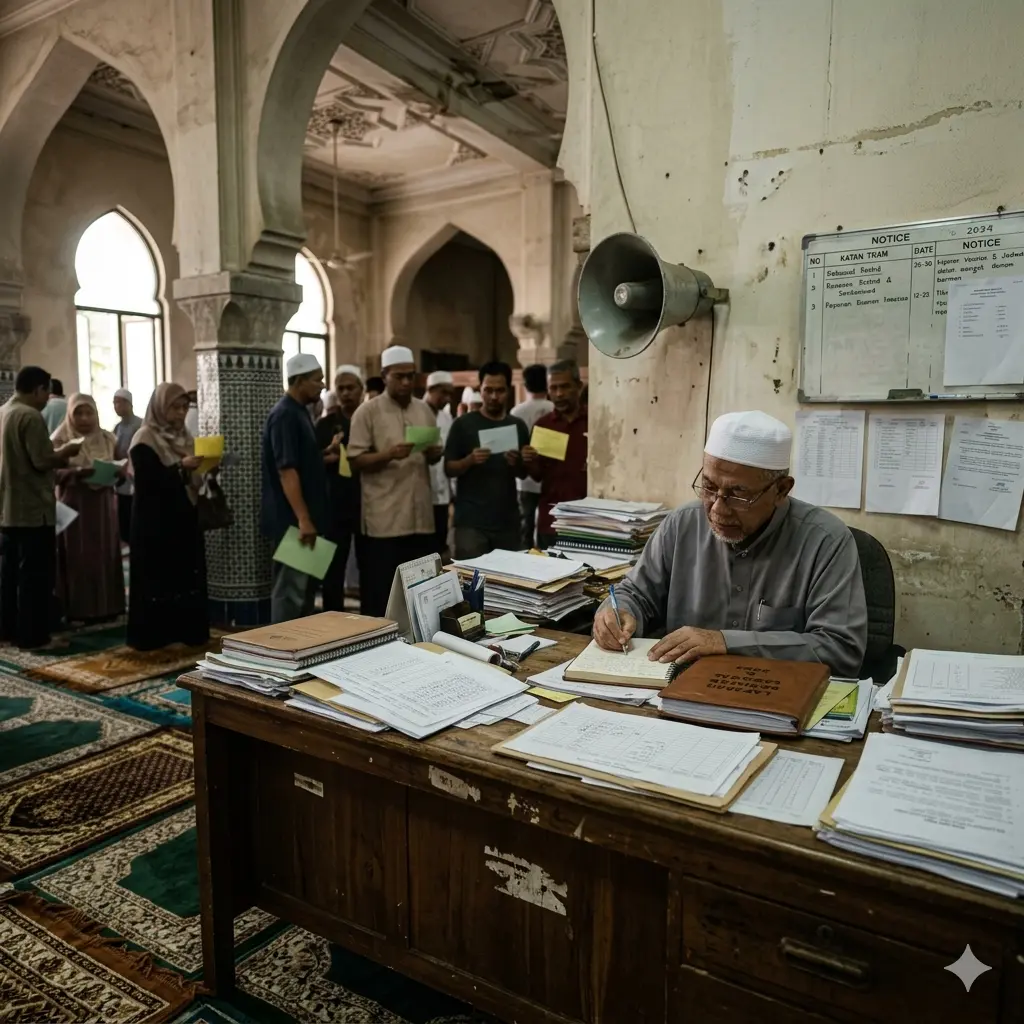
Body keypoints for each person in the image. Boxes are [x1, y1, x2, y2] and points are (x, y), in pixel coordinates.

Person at [592, 411, 868, 678]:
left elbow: (841, 649)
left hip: (772, 695)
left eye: (738, 494)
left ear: (781, 490)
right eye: (709, 487)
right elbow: (636, 594)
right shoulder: (682, 524)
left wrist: (726, 642)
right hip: (679, 688)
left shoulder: (825, 541)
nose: (717, 509)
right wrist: (618, 612)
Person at [348, 345, 443, 616]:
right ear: (384, 376)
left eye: (410, 376)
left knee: (419, 596)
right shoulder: (367, 412)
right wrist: (388, 454)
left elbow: (433, 455)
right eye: (399, 376)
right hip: (384, 521)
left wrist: (435, 453)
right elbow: (355, 461)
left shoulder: (424, 410)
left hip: (420, 518)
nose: (405, 382)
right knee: (382, 595)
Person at [0, 366, 83, 650]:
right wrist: (66, 453)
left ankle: (8, 631)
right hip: (32, 509)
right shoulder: (29, 415)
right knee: (34, 577)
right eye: (46, 391)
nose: (48, 398)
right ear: (38, 389)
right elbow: (42, 460)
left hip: (9, 508)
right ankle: (34, 637)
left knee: (10, 575)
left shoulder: (4, 411)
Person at [127, 383, 209, 650]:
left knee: (184, 573)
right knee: (159, 576)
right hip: (155, 521)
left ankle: (186, 632)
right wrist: (180, 467)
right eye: (175, 407)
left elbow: (192, 479)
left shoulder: (185, 437)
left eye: (184, 407)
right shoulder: (145, 439)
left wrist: (204, 468)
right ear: (160, 407)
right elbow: (147, 482)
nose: (181, 413)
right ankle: (156, 636)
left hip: (183, 516)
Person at [261, 353, 332, 623]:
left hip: (305, 520)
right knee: (290, 595)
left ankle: (302, 645)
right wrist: (303, 519)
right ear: (299, 381)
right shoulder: (284, 415)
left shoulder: (299, 412)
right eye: (317, 380)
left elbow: (301, 462)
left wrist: (323, 456)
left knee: (304, 595)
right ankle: (282, 646)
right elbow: (286, 470)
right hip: (293, 522)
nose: (322, 385)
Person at [51, 394, 125, 624]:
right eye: (78, 413)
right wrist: (77, 473)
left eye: (89, 413)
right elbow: (51, 473)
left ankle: (108, 606)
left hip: (103, 506)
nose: (84, 418)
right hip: (75, 506)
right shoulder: (60, 439)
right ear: (70, 415)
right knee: (79, 555)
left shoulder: (108, 438)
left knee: (104, 554)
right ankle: (78, 609)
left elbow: (122, 465)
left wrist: (119, 473)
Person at [444, 361, 529, 558]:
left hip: (507, 522)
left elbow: (524, 473)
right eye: (488, 390)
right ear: (480, 389)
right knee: (470, 576)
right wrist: (469, 461)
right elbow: (448, 468)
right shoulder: (463, 424)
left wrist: (516, 463)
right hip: (471, 522)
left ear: (508, 391)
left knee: (507, 576)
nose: (493, 396)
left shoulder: (517, 426)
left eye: (500, 391)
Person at [521, 360, 588, 548]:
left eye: (565, 387)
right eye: (553, 388)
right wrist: (528, 460)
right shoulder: (543, 426)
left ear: (579, 386)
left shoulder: (594, 421)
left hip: (589, 521)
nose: (559, 394)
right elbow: (537, 475)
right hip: (551, 521)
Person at [315, 364, 364, 611]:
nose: (345, 393)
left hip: (368, 502)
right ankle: (333, 616)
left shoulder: (369, 418)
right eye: (341, 389)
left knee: (369, 564)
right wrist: (329, 457)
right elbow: (311, 461)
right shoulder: (326, 425)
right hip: (335, 503)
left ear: (361, 389)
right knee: (334, 567)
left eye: (350, 388)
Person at [511, 363, 553, 548]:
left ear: (525, 384)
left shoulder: (516, 412)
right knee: (550, 527)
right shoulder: (554, 408)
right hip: (550, 478)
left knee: (525, 527)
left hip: (525, 482)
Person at [424, 370, 454, 557]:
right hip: (421, 490)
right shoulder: (416, 413)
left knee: (439, 542)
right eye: (443, 393)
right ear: (430, 390)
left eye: (450, 394)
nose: (447, 398)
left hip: (442, 490)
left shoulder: (446, 417)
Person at [112, 388, 143, 545]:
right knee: (123, 517)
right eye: (114, 403)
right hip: (122, 480)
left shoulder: (140, 424)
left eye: (119, 402)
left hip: (135, 478)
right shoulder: (117, 427)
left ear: (128, 403)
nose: (116, 406)